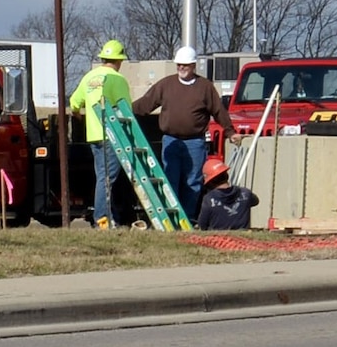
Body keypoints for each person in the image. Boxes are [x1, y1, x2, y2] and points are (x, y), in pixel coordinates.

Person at [131, 45, 226, 221]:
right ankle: (171, 219)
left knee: (193, 182)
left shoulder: (205, 87)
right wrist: (125, 110)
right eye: (179, 65)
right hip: (171, 141)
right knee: (170, 180)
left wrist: (231, 132)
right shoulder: (166, 85)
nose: (181, 68)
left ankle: (187, 218)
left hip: (195, 143)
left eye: (185, 65)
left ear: (193, 66)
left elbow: (219, 111)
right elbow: (146, 103)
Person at [68, 40, 133, 228]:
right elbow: (126, 108)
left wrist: (78, 116)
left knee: (102, 177)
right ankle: (102, 219)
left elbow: (74, 103)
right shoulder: (117, 79)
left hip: (94, 136)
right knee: (107, 179)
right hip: (113, 136)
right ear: (119, 61)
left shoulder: (89, 77)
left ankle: (107, 217)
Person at [195, 155, 260, 231]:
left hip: (219, 240)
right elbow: (256, 201)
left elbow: (202, 225)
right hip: (242, 239)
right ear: (227, 175)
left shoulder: (209, 199)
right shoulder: (246, 193)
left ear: (210, 182)